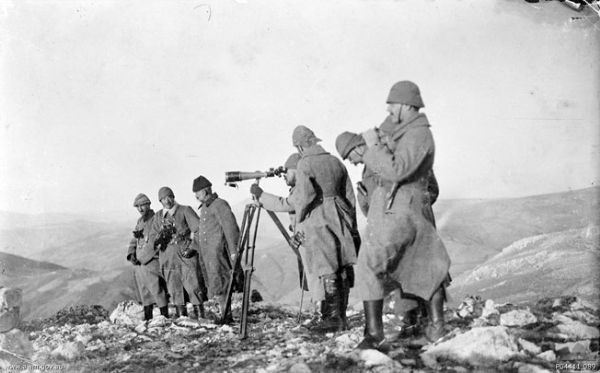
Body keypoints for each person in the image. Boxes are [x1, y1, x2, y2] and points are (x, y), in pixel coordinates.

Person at [355, 80, 451, 350]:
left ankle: (375, 334)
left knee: (369, 263)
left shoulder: (419, 134)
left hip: (403, 206)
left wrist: (374, 147)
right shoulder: (409, 131)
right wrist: (381, 134)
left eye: (393, 104)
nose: (388, 108)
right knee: (422, 264)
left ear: (408, 105)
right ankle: (435, 328)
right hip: (410, 205)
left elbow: (397, 170)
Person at [284, 125, 360, 332]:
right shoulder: (335, 161)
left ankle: (332, 319)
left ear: (299, 147)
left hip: (318, 218)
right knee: (342, 265)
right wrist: (350, 220)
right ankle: (340, 316)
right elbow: (349, 194)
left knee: (326, 268)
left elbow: (305, 196)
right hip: (340, 214)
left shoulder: (305, 164)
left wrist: (300, 219)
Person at [147, 187, 206, 319]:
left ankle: (201, 318)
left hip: (185, 254)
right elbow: (151, 237)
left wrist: (193, 247)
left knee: (193, 285)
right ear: (160, 201)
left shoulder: (185, 210)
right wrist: (158, 239)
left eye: (169, 197)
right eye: (163, 199)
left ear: (173, 197)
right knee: (174, 288)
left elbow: (199, 229)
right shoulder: (158, 216)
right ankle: (182, 319)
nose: (167, 201)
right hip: (167, 256)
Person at [192, 176, 241, 321]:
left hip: (218, 252)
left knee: (222, 282)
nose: (196, 196)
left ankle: (227, 315)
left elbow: (230, 228)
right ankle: (223, 313)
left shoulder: (219, 204)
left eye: (198, 193)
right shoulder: (206, 207)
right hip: (209, 255)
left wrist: (233, 251)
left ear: (206, 191)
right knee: (215, 283)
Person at [126, 193, 168, 321]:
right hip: (139, 263)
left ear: (149, 205)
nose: (140, 209)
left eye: (142, 206)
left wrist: (143, 259)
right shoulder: (140, 221)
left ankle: (164, 317)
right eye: (137, 207)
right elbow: (135, 239)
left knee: (157, 290)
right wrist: (131, 254)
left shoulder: (156, 220)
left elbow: (156, 243)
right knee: (144, 293)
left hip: (151, 262)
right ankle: (148, 319)